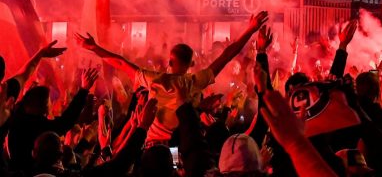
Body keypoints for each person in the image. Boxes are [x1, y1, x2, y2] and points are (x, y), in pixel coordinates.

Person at [75, 11, 269, 146]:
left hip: (153, 146)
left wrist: (93, 47)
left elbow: (120, 63)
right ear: (190, 64)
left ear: (170, 60)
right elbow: (227, 55)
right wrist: (250, 29)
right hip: (183, 144)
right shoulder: (194, 82)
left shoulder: (155, 80)